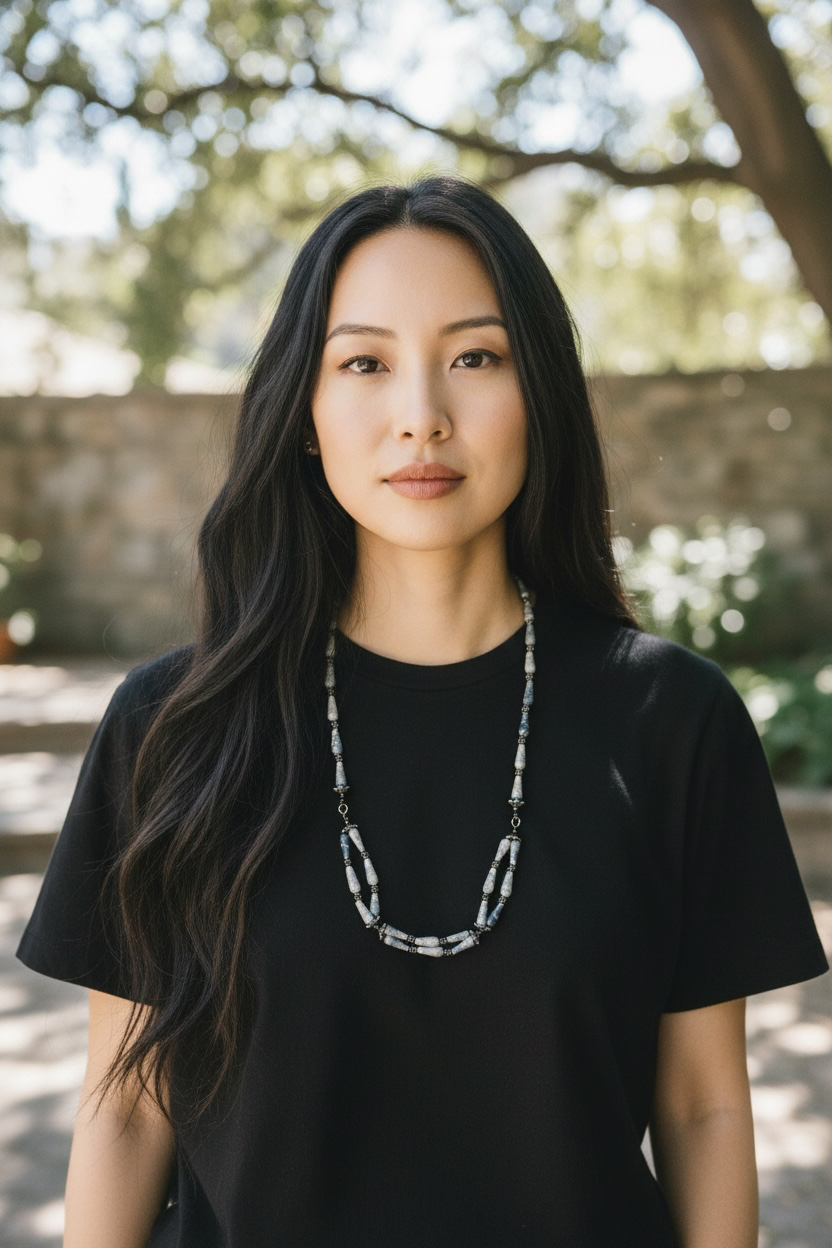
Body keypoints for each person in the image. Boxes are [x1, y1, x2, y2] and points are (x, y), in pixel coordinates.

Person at [16, 174, 828, 1248]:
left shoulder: (671, 719)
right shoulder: (174, 725)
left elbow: (702, 1106)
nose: (421, 418)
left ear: (537, 390)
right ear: (303, 414)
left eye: (475, 357)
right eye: (364, 362)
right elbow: (125, 1105)